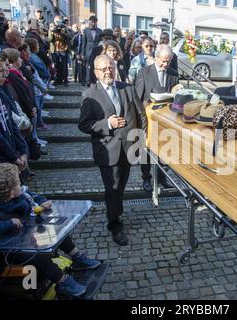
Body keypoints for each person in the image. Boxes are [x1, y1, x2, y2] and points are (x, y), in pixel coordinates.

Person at [0, 162, 100, 297]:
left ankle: (78, 257)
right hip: (11, 250)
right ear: (10, 193)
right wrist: (9, 224)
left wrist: (41, 201)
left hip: (27, 235)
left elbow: (30, 194)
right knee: (39, 256)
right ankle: (63, 281)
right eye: (18, 182)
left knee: (57, 231)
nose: (21, 183)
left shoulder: (19, 194)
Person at [78, 55, 146, 246]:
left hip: (129, 147)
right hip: (108, 150)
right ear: (96, 72)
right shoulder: (89, 95)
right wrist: (107, 123)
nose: (108, 71)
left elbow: (141, 115)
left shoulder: (128, 88)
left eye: (111, 67)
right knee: (113, 189)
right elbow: (84, 125)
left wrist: (141, 141)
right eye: (104, 69)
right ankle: (114, 225)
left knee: (121, 186)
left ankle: (116, 210)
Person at [135, 44, 179, 192]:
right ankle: (146, 178)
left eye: (169, 61)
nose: (166, 64)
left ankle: (162, 178)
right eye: (163, 61)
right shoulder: (144, 72)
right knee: (145, 151)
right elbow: (137, 98)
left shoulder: (173, 74)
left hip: (166, 120)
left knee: (165, 151)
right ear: (156, 57)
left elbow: (176, 99)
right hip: (148, 119)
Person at [82, 16, 102, 85]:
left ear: (96, 22)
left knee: (96, 66)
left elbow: (101, 42)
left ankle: (95, 80)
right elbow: (83, 43)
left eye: (94, 22)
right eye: (92, 22)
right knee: (88, 66)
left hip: (97, 52)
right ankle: (88, 81)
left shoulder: (100, 31)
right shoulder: (85, 30)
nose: (93, 23)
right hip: (88, 52)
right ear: (89, 22)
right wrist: (83, 54)